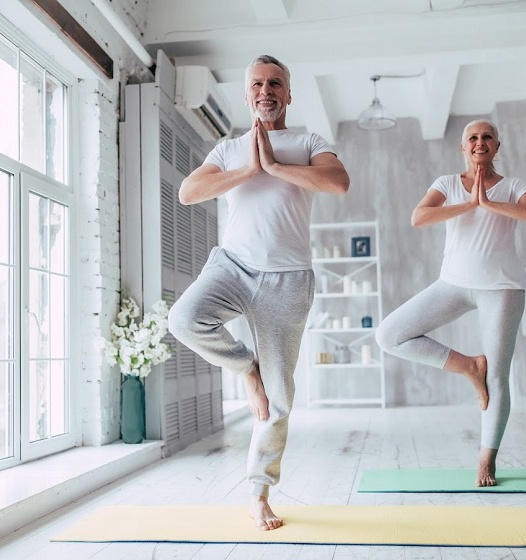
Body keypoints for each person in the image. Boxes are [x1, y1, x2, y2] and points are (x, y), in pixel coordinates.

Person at [167, 55, 349, 530]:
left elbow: (338, 181)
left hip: (288, 280)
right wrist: (251, 168)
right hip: (232, 266)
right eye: (257, 84)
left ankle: (258, 493)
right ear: (247, 94)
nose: (265, 90)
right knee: (183, 320)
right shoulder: (228, 149)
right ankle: (247, 368)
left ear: (288, 94)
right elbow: (189, 193)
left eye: (275, 83)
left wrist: (274, 164)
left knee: (281, 397)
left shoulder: (308, 142)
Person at [375, 119, 526, 487]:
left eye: (487, 137)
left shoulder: (513, 186)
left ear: (497, 147)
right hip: (452, 285)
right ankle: (469, 367)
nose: (480, 142)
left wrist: (490, 202)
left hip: (502, 288)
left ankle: (487, 460)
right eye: (473, 137)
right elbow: (419, 217)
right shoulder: (446, 184)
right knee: (389, 334)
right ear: (463, 147)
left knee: (499, 376)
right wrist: (471, 203)